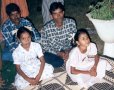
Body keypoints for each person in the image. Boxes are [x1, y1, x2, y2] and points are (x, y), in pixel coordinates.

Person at [40, 2, 77, 68]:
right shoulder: (46, 29)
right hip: (55, 52)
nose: (58, 16)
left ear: (63, 13)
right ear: (51, 16)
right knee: (55, 61)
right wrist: (59, 53)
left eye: (60, 12)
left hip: (69, 49)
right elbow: (45, 46)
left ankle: (67, 60)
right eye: (55, 14)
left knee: (82, 48)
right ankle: (64, 62)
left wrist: (68, 51)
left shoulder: (71, 23)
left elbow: (74, 40)